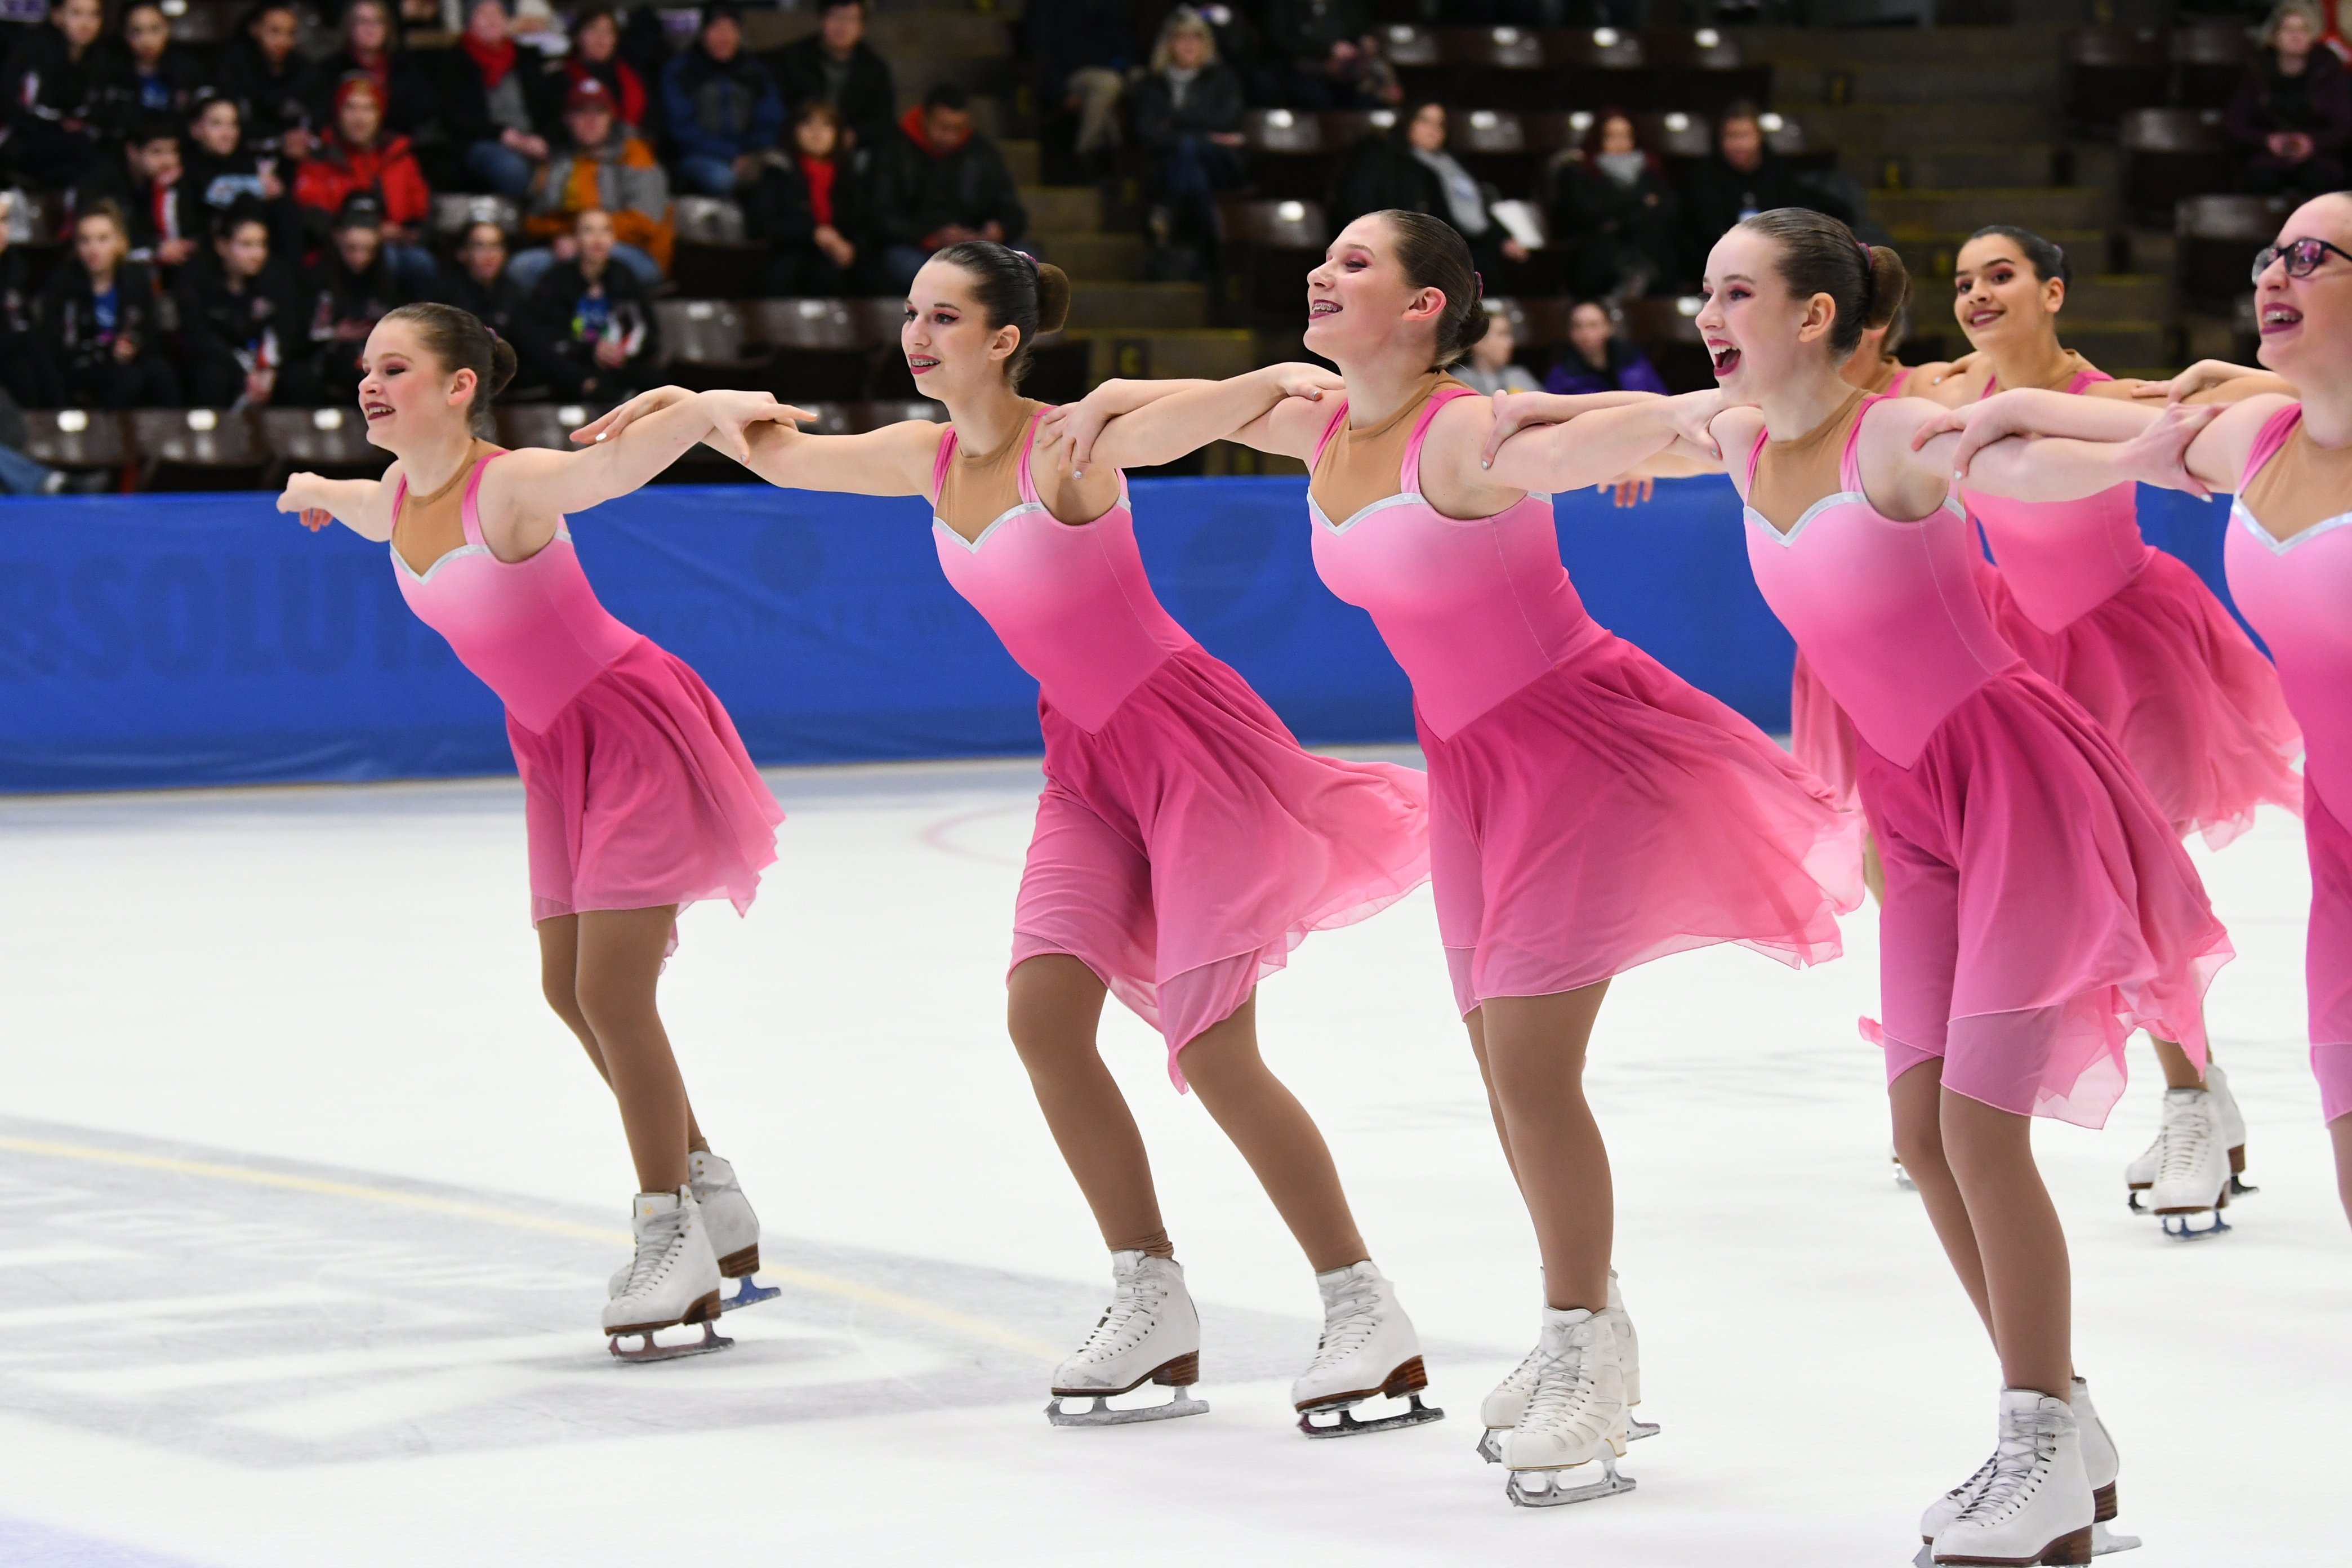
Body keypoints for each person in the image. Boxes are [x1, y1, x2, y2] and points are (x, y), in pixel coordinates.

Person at [1049, 209, 1864, 1501]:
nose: (1322, 270)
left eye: (1357, 263)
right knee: (1501, 1064)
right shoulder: (1317, 423)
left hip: (1573, 747)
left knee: (1533, 1069)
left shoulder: (1472, 433)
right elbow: (1169, 410)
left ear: (1427, 306)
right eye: (1322, 256)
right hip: (1472, 762)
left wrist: (1709, 421)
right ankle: (1592, 1317)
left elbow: (1666, 429)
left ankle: (1580, 1352)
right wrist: (1133, 395)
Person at [576, 242, 1442, 1438]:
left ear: (1004, 339)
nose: (916, 335)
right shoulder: (928, 457)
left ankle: (1362, 1304)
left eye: (945, 316)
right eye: (911, 314)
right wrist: (705, 403)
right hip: (1085, 764)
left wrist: (1230, 391)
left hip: (1188, 751)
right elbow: (784, 459)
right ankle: (1152, 1293)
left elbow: (1222, 409)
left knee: (1218, 1052)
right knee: (1044, 1017)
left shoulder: (1066, 448)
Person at [1485, 206, 2231, 1558]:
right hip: (1912, 805)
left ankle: (2039, 1442)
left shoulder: (1890, 433)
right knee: (1920, 1130)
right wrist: (1516, 422)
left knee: (1982, 1127)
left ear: (1813, 314)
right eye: (1703, 293)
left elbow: (2036, 436)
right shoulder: (1730, 434)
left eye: (1735, 293)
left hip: (2013, 785)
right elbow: (1592, 426)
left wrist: (2177, 432)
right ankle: (2060, 1417)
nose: (1706, 316)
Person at [276, 305, 790, 1358]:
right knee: (568, 986)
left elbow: (615, 468)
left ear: (460, 386)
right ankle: (711, 1191)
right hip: (555, 748)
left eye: (395, 367)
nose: (370, 383)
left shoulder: (505, 485)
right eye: (364, 368)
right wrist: (313, 492)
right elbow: (370, 514)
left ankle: (671, 1233)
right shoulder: (394, 491)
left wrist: (703, 409)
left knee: (612, 990)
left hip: (628, 725)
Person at [1913, 191, 2352, 1234]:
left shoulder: (2125, 393)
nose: (1978, 293)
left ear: (2053, 291)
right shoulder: (1948, 390)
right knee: (2071, 885)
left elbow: (2166, 416)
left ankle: (2194, 1097)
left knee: (2133, 876)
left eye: (2002, 275)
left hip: (2131, 648)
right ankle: (2192, 1089)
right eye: (1965, 279)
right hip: (2023, 652)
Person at [1331, 103, 1527, 282]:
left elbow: (1476, 208)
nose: (1434, 130)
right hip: (1414, 250)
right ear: (1408, 123)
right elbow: (1360, 206)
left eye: (1440, 124)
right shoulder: (1384, 160)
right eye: (1425, 121)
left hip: (1462, 248)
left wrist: (1502, 237)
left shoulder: (1451, 164)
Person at [513, 77, 669, 291]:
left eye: (600, 112)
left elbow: (645, 223)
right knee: (522, 267)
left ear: (611, 117)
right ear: (568, 118)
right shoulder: (558, 160)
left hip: (632, 252)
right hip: (569, 250)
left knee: (592, 265)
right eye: (582, 112)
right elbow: (534, 220)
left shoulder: (637, 155)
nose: (591, 120)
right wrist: (563, 235)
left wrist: (584, 239)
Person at [870, 85, 1030, 293]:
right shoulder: (893, 149)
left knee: (1025, 261)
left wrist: (999, 229)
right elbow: (879, 215)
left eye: (958, 129)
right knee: (914, 270)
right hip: (916, 246)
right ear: (925, 120)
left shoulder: (981, 152)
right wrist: (931, 237)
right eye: (943, 128)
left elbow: (1010, 207)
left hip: (974, 246)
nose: (950, 137)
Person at [297, 74, 438, 295]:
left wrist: (410, 233)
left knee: (420, 262)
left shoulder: (400, 156)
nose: (359, 118)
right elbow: (310, 213)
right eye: (351, 108)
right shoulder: (321, 157)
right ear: (338, 114)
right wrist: (363, 235)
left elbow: (423, 210)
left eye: (368, 109)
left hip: (396, 246)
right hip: (339, 253)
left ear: (380, 115)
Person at [35, 200, 180, 408]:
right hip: (82, 364)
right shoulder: (62, 284)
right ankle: (102, 437)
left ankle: (170, 437)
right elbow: (54, 345)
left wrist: (133, 344)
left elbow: (150, 331)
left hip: (127, 360)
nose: (93, 249)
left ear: (119, 242)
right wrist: (106, 351)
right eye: (85, 240)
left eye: (103, 239)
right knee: (128, 378)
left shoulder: (135, 279)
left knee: (160, 372)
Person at [1128, 6, 1246, 257]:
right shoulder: (1151, 84)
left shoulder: (1223, 79)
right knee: (1194, 172)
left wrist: (1174, 121)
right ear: (1168, 45)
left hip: (1221, 164)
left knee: (1191, 150)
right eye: (1182, 38)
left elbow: (1227, 120)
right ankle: (1212, 249)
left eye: (1196, 38)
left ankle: (1168, 212)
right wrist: (1201, 134)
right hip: (1167, 164)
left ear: (1207, 43)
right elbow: (1148, 133)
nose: (1189, 45)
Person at [177, 200, 314, 408]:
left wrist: (269, 368)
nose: (257, 254)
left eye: (262, 244)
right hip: (221, 362)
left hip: (266, 361)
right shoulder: (198, 278)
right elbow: (199, 336)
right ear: (222, 246)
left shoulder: (278, 276)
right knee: (212, 378)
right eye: (247, 245)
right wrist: (242, 372)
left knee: (300, 378)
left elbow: (287, 328)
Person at [523, 207, 659, 403]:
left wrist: (624, 351)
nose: (598, 238)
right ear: (575, 238)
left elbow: (649, 332)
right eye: (589, 230)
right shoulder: (556, 279)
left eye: (606, 230)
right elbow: (544, 335)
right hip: (576, 366)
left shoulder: (624, 276)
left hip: (622, 364)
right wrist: (590, 349)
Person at [741, 100, 875, 296]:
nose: (817, 133)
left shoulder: (848, 175)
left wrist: (852, 247)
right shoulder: (777, 169)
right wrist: (814, 233)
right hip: (789, 253)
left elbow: (865, 221)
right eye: (808, 124)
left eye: (826, 125)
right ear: (793, 130)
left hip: (840, 256)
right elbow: (762, 223)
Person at [1548, 111, 1681, 301]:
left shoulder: (1651, 171)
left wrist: (1617, 216)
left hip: (1647, 249)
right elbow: (1587, 213)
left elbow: (1669, 210)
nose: (1620, 142)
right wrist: (1640, 201)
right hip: (1598, 256)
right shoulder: (1580, 172)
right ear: (1598, 139)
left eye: (1626, 136)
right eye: (1612, 136)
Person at [1680, 101, 1830, 267]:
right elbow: (1704, 231)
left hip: (1776, 261)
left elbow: (1794, 220)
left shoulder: (1778, 171)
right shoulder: (1704, 176)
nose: (1738, 145)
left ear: (1759, 137)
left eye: (1744, 136)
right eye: (1731, 136)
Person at [2228, 1, 2352, 200]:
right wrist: (2267, 141)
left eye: (2303, 30)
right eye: (2289, 30)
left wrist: (2312, 143)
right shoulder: (2257, 71)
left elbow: (2343, 126)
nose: (2296, 36)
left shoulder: (2328, 69)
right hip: (2267, 156)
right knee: (2260, 181)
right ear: (2275, 37)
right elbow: (2236, 124)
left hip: (2318, 157)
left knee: (2318, 182)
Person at [442, 0, 562, 201]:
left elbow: (551, 107)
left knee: (571, 162)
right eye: (483, 14)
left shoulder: (527, 58)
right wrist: (504, 135)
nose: (492, 20)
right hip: (485, 141)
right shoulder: (455, 62)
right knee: (511, 169)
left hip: (532, 138)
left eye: (497, 13)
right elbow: (456, 118)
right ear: (470, 22)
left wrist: (544, 138)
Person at [661, 1, 782, 197]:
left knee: (780, 173)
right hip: (698, 155)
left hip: (751, 153)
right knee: (723, 179)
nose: (724, 37)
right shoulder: (681, 71)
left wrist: (752, 152)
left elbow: (770, 118)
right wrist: (731, 154)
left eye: (731, 29)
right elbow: (682, 128)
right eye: (716, 29)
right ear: (703, 33)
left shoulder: (755, 72)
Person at [305, 195, 412, 404]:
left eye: (367, 250)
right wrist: (333, 335)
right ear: (339, 240)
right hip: (327, 357)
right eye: (352, 249)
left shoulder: (385, 281)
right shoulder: (318, 278)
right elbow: (302, 332)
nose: (359, 258)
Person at [73, 114, 199, 274]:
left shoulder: (176, 183)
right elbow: (101, 244)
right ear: (132, 151)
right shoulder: (100, 185)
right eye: (157, 152)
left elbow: (182, 238)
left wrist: (167, 194)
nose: (168, 161)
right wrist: (155, 250)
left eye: (173, 152)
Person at [184, 94, 305, 261]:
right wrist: (257, 187)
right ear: (195, 129)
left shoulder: (248, 163)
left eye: (233, 125)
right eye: (216, 124)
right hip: (210, 257)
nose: (227, 133)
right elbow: (212, 194)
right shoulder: (185, 167)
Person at [5, 0, 112, 189]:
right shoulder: (33, 51)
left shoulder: (102, 59)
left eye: (94, 14)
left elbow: (98, 109)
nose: (86, 23)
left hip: (71, 144)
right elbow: (14, 106)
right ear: (57, 16)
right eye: (77, 13)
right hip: (27, 140)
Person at [769, 0, 896, 153]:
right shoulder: (793, 59)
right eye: (836, 18)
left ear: (862, 27)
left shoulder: (874, 70)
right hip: (796, 143)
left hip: (849, 149)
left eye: (851, 20)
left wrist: (855, 135)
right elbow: (779, 108)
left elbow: (883, 120)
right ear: (822, 20)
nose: (842, 27)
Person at [1024, 0, 1133, 178]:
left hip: (1111, 72)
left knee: (1135, 79)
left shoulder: (1112, 5)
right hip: (1070, 76)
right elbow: (1041, 52)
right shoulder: (1048, 5)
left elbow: (1125, 48)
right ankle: (1086, 152)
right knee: (1108, 84)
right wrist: (1061, 93)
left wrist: (1120, 68)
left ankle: (1114, 164)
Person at [310, 0, 437, 139]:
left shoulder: (404, 67)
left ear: (388, 28)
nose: (370, 28)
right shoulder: (329, 70)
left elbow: (423, 112)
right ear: (349, 27)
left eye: (378, 22)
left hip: (394, 148)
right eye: (362, 21)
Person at [213, 0, 322, 161]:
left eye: (290, 33)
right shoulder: (233, 67)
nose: (283, 41)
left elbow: (316, 117)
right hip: (239, 158)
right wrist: (279, 138)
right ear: (254, 29)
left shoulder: (305, 70)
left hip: (294, 159)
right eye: (275, 31)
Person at [95, 0, 204, 140]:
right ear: (124, 34)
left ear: (168, 29)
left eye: (155, 29)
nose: (147, 40)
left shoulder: (188, 71)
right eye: (136, 31)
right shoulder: (109, 73)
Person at [0, 193, 60, 411]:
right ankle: (61, 411)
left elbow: (18, 314)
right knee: (30, 342)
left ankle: (40, 431)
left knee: (23, 370)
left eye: (4, 220)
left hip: (11, 349)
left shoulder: (14, 264)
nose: (2, 230)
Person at [1544, 299, 1668, 397]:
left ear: (1609, 328)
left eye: (1593, 325)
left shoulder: (1634, 362)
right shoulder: (1561, 375)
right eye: (1578, 326)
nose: (1586, 334)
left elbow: (1663, 399)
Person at [563, 7, 648, 135]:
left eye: (608, 32)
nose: (601, 39)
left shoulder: (633, 73)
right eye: (593, 30)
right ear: (577, 36)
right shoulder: (561, 75)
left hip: (634, 143)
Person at [1453, 304, 1541, 396]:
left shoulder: (1520, 377)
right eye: (1502, 334)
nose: (1510, 342)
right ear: (1478, 342)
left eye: (1509, 334)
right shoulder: (1460, 381)